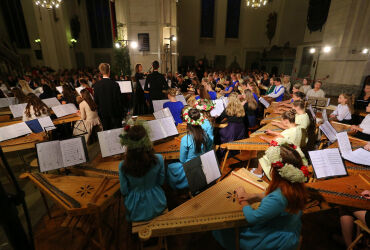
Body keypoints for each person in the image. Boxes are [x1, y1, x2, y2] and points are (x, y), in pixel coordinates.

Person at [213, 144, 308, 250]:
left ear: (277, 172)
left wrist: (243, 200)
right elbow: (276, 199)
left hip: (275, 238)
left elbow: (253, 218)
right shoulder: (294, 186)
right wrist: (255, 196)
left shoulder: (279, 197)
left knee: (221, 229)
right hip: (288, 227)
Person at [119, 124, 167, 222]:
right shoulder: (159, 159)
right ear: (147, 141)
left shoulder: (123, 165)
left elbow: (124, 191)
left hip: (136, 209)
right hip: (157, 203)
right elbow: (161, 182)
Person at [253, 109, 307, 179]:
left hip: (286, 155)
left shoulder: (288, 132)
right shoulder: (298, 128)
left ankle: (259, 172)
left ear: (286, 121)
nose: (281, 122)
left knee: (262, 152)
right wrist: (273, 133)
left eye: (282, 121)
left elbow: (273, 141)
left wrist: (263, 137)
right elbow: (284, 136)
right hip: (294, 152)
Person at [167, 108, 211, 189]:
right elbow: (207, 149)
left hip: (190, 168)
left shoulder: (185, 139)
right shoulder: (205, 135)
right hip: (202, 163)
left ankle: (179, 187)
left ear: (187, 123)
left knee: (170, 167)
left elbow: (182, 160)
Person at [93, 63, 123, 130]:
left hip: (103, 114)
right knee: (118, 134)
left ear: (100, 72)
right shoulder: (115, 84)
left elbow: (96, 101)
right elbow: (119, 101)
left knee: (107, 134)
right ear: (109, 71)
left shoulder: (96, 85)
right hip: (115, 114)